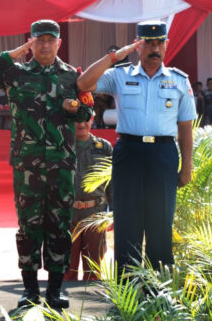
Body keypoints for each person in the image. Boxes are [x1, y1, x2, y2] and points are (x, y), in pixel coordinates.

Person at [0, 19, 94, 310]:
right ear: (31, 42)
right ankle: (30, 289)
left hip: (60, 164)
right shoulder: (15, 73)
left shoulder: (72, 76)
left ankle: (56, 290)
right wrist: (15, 53)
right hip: (27, 164)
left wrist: (76, 108)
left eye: (49, 40)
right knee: (28, 227)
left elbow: (87, 113)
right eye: (38, 40)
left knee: (59, 226)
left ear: (59, 43)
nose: (44, 45)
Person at [77, 20, 196, 277]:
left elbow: (186, 128)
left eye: (159, 43)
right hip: (128, 152)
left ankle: (158, 291)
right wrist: (114, 56)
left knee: (160, 222)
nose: (155, 49)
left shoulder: (178, 81)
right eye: (148, 44)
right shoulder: (120, 76)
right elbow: (84, 84)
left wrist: (187, 167)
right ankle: (128, 289)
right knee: (128, 222)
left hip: (163, 154)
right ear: (137, 46)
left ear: (165, 45)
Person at [65, 113, 113, 281]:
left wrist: (113, 213)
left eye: (86, 119)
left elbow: (111, 182)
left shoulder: (104, 147)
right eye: (78, 119)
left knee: (93, 273)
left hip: (95, 213)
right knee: (67, 271)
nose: (82, 123)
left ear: (92, 119)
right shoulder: (63, 145)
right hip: (68, 215)